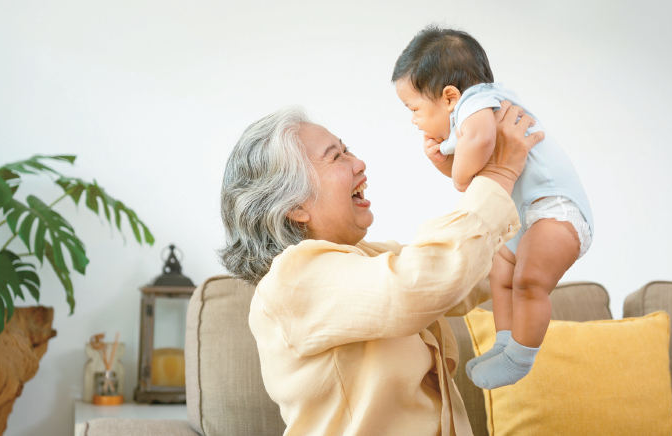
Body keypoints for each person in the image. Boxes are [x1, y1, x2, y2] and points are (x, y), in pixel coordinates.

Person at [219, 102, 541, 436]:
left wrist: (545, 223)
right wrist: (498, 175)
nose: (359, 163)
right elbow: (426, 282)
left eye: (348, 150)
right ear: (295, 205)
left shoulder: (366, 258)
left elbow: (468, 274)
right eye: (336, 157)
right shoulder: (291, 280)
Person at [392, 25, 594, 390]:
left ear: (450, 97)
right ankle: (504, 344)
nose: (413, 120)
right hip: (523, 218)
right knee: (500, 277)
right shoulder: (465, 122)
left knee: (528, 282)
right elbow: (478, 179)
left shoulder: (478, 104)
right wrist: (442, 161)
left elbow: (475, 160)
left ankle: (520, 357)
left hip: (554, 209)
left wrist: (456, 174)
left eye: (415, 108)